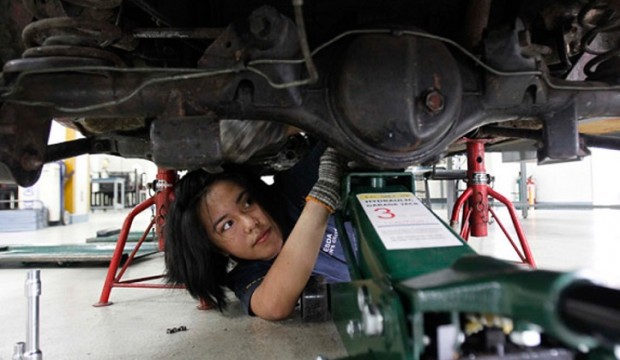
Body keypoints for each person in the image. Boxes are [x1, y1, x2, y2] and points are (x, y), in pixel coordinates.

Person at [164, 143, 350, 320]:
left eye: (248, 202)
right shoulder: (250, 274)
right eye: (227, 225)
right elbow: (272, 306)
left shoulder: (292, 188)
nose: (250, 223)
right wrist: (321, 199)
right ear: (217, 248)